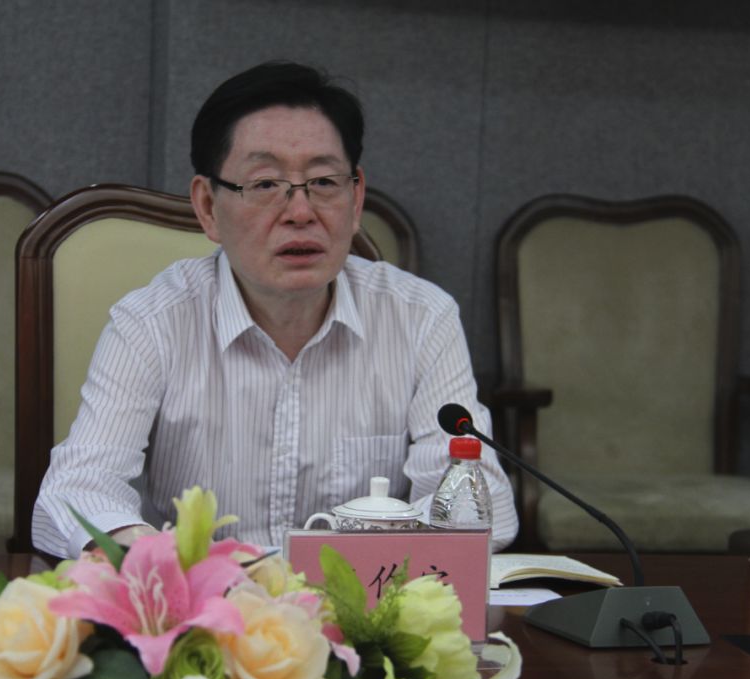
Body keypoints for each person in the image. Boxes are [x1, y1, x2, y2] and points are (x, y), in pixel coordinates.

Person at [32, 61, 517, 558]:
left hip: (360, 597)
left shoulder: (421, 318)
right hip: (204, 597)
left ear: (356, 199)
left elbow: (485, 507)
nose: (300, 212)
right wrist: (154, 556)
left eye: (324, 181)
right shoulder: (152, 323)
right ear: (207, 207)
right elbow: (75, 492)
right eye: (265, 184)